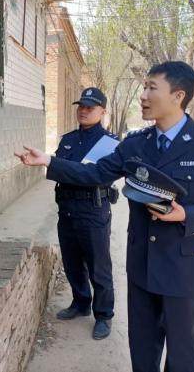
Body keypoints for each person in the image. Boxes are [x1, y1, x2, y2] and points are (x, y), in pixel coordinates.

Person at [15, 61, 194, 372]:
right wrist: (49, 162)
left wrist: (186, 214)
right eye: (144, 87)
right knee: (142, 349)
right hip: (143, 264)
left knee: (183, 353)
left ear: (178, 96)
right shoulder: (136, 143)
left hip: (186, 267)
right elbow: (96, 173)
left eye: (152, 88)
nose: (143, 95)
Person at [53, 87, 119, 340]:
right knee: (72, 262)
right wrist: (70, 171)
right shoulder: (68, 139)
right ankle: (81, 303)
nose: (83, 110)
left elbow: (94, 176)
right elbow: (60, 172)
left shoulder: (110, 143)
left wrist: (67, 170)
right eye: (81, 106)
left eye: (90, 107)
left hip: (93, 210)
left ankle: (103, 314)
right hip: (67, 208)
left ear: (102, 112)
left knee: (98, 266)